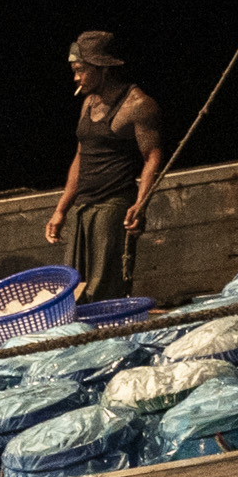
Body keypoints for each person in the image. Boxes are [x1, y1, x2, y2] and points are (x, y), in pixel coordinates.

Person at [44, 31, 165, 301]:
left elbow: (152, 158)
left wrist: (141, 204)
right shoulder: (88, 101)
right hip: (82, 208)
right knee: (72, 292)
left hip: (112, 208)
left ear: (103, 69)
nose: (76, 77)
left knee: (104, 292)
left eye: (81, 70)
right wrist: (61, 210)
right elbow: (81, 155)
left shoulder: (138, 105)